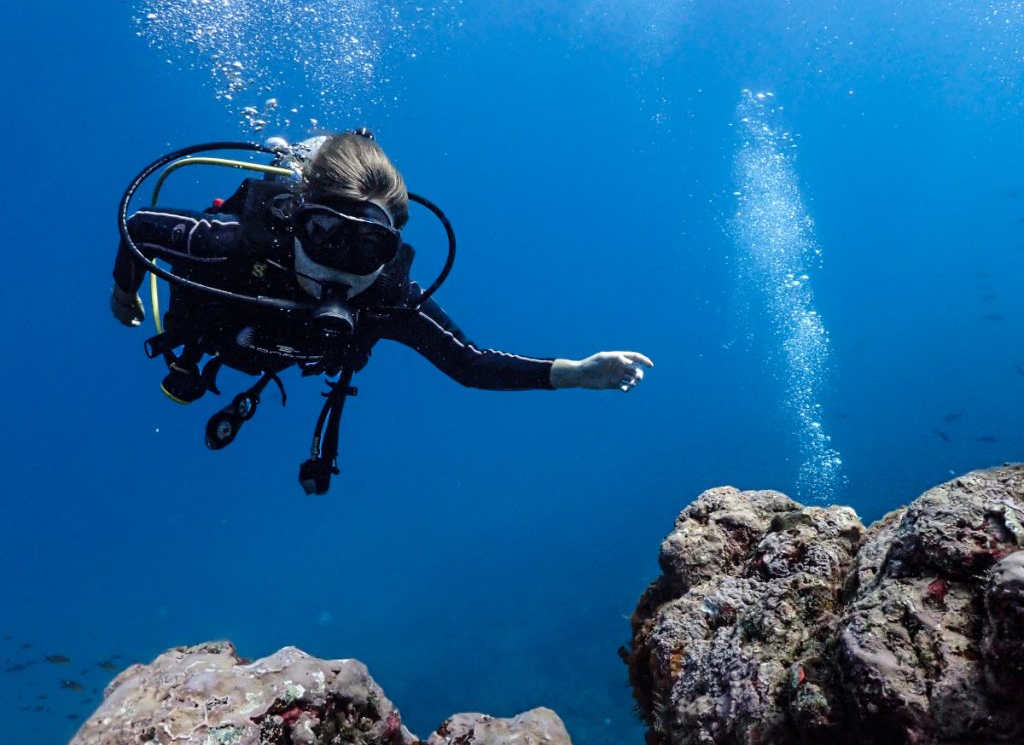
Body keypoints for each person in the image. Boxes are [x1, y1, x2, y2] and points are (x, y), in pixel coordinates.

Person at [111, 130, 652, 491]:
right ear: (298, 222)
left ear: (391, 252)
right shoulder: (236, 245)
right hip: (214, 332)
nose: (341, 269)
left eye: (369, 249)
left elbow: (470, 363)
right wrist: (124, 292)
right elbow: (141, 228)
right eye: (324, 235)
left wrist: (574, 373)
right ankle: (290, 162)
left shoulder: (387, 298)